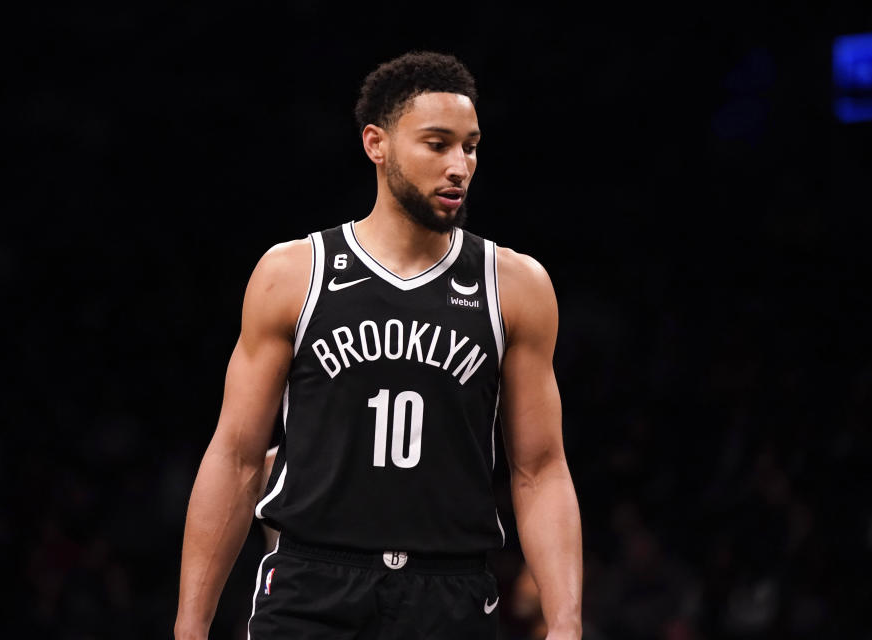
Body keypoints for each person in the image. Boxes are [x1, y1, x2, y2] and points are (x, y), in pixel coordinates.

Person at [174, 51, 583, 640]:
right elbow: (237, 460)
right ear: (377, 143)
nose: (459, 166)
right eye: (437, 144)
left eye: (469, 146)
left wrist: (565, 623)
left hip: (450, 591)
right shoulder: (294, 273)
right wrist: (191, 626)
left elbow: (541, 470)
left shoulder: (514, 284)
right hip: (311, 585)